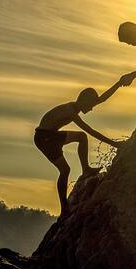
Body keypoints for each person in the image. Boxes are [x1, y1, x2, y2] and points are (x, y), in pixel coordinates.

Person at [34, 81, 122, 216]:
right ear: (84, 101)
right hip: (45, 138)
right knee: (65, 169)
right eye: (90, 105)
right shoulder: (70, 111)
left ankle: (85, 170)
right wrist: (114, 144)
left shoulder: (76, 107)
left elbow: (102, 99)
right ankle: (64, 207)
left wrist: (119, 83)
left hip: (49, 135)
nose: (91, 109)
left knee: (80, 140)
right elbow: (90, 131)